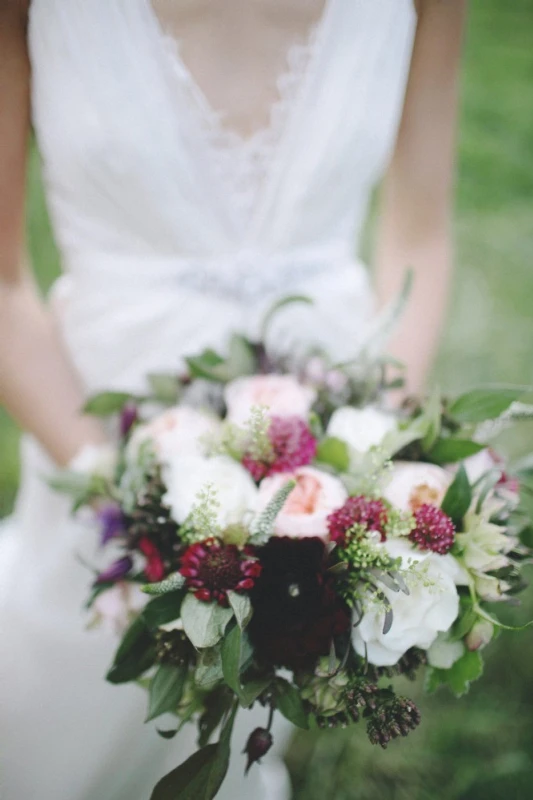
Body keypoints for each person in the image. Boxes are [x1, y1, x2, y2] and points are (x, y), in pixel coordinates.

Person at [0, 1, 466, 798]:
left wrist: (371, 467)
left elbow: (418, 235)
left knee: (246, 701)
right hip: (94, 430)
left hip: (321, 444)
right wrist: (123, 496)